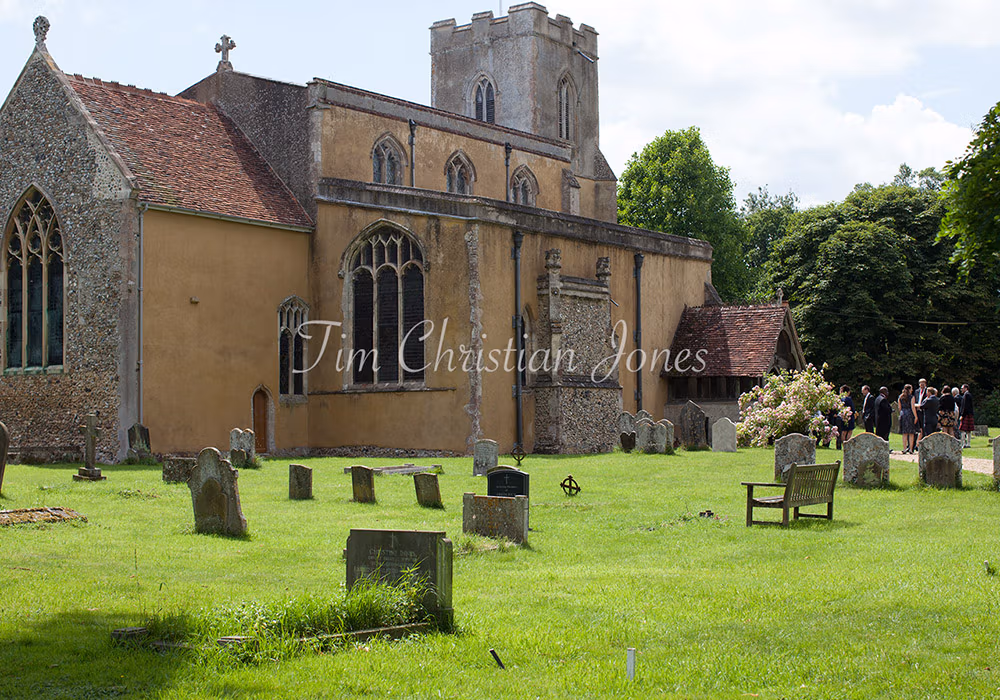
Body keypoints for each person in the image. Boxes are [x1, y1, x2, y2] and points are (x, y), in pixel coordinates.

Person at [898, 384, 917, 453]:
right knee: (911, 433)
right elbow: (913, 407)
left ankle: (904, 448)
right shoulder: (912, 397)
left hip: (903, 413)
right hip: (909, 414)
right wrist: (916, 416)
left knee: (904, 433)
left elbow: (899, 407)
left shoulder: (900, 397)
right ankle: (911, 449)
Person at [914, 378, 928, 445]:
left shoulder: (927, 391)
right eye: (920, 383)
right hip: (917, 410)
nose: (921, 385)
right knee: (918, 428)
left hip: (923, 411)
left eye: (923, 383)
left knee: (923, 427)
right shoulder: (917, 391)